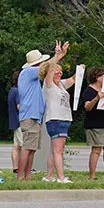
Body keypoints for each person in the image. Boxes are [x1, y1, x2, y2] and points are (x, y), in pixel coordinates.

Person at [16, 45, 56, 181]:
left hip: (34, 117)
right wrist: (58, 55)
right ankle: (20, 176)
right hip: (29, 116)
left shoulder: (30, 76)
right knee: (27, 148)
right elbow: (46, 68)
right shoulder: (28, 72)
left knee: (32, 148)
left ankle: (28, 175)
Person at [39, 42, 76, 183]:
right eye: (56, 71)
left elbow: (73, 79)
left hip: (63, 119)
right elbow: (50, 69)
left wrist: (80, 70)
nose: (59, 73)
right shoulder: (48, 85)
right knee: (58, 151)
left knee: (54, 150)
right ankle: (61, 177)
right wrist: (58, 55)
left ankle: (49, 177)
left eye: (61, 71)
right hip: (56, 119)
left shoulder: (60, 85)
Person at [82, 67, 104, 179]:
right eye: (102, 75)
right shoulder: (89, 91)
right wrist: (97, 98)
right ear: (96, 77)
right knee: (96, 150)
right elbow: (87, 107)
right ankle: (92, 175)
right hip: (95, 124)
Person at [7, 70, 22, 173]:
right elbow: (19, 106)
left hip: (14, 121)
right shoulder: (17, 91)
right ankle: (23, 167)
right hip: (20, 121)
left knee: (16, 145)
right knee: (23, 145)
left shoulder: (12, 90)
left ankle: (16, 167)